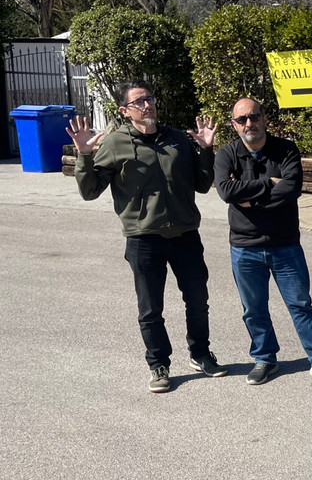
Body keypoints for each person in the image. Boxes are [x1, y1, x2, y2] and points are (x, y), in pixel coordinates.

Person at [67, 80, 228, 393]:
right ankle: (158, 364)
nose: (148, 105)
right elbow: (89, 191)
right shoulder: (115, 144)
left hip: (185, 235)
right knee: (150, 308)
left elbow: (202, 183)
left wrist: (206, 150)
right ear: (125, 111)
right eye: (139, 101)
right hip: (144, 239)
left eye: (150, 98)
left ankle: (200, 354)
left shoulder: (179, 139)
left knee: (197, 299)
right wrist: (85, 155)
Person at [214, 97, 312, 385]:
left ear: (265, 118)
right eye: (241, 120)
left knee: (301, 304)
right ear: (234, 124)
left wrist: (250, 201)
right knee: (253, 309)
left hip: (285, 244)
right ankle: (265, 359)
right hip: (245, 247)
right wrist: (268, 184)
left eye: (254, 116)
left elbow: (291, 189)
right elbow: (227, 192)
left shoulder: (286, 149)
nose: (249, 124)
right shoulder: (226, 154)